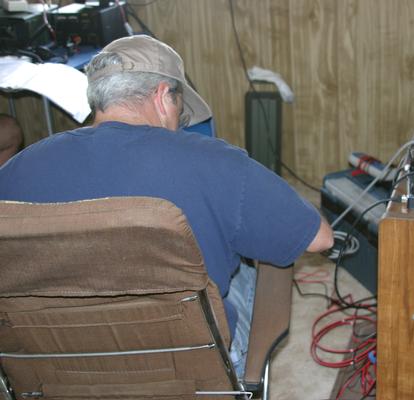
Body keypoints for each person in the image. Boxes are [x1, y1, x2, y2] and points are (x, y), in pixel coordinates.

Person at [0, 35, 333, 376]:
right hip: (189, 372)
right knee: (247, 268)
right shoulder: (217, 162)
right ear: (162, 96)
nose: (178, 124)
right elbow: (319, 239)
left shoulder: (18, 169)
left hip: (56, 369)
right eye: (180, 111)